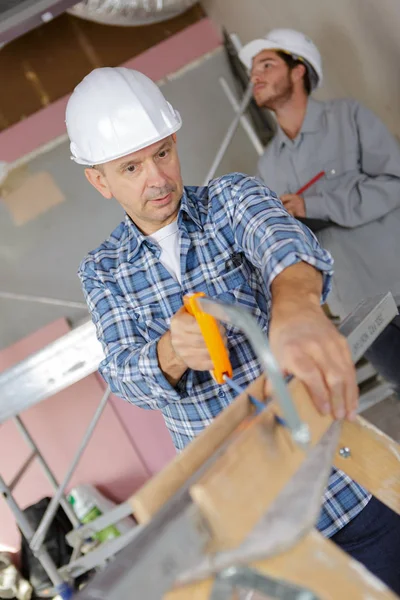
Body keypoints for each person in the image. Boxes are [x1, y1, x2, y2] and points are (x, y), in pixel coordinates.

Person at [66, 67, 399, 592]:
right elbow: (123, 373)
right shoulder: (103, 271)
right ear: (99, 179)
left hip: (341, 480)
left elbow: (284, 247)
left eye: (162, 153)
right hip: (257, 524)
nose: (157, 177)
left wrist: (296, 305)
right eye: (131, 167)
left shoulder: (230, 199)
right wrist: (171, 352)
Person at [239, 28, 400, 398]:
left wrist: (315, 205)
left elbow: (393, 182)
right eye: (252, 71)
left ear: (299, 70)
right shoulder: (269, 166)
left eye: (266, 65)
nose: (255, 77)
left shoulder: (348, 117)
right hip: (357, 310)